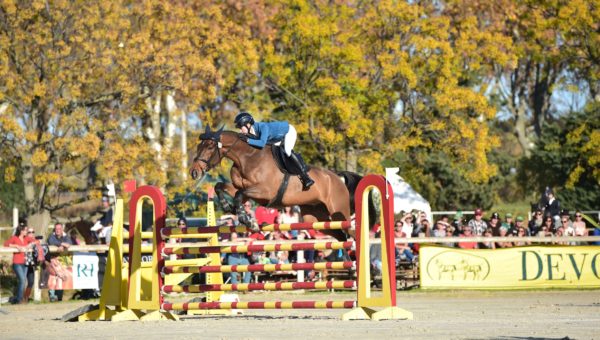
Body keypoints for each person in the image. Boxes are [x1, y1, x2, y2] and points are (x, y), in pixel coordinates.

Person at [234, 111, 314, 190]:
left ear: (248, 125)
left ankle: (305, 176)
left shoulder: (263, 127)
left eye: (241, 127)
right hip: (277, 138)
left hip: (288, 132)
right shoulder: (252, 131)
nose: (240, 130)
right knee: (273, 153)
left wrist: (248, 140)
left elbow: (261, 143)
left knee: (287, 151)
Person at [3, 225, 30, 304]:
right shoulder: (15, 238)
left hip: (25, 262)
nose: (26, 232)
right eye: (25, 230)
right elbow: (6, 243)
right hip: (17, 263)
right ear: (21, 231)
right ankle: (19, 299)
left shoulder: (26, 238)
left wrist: (30, 245)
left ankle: (17, 299)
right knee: (22, 280)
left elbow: (36, 241)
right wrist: (16, 246)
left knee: (23, 281)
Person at [46, 223, 72, 302]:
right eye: (56, 229)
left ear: (62, 229)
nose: (58, 230)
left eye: (59, 229)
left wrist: (63, 246)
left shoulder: (66, 236)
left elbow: (69, 243)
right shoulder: (51, 236)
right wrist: (62, 244)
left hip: (62, 260)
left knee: (61, 278)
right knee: (53, 277)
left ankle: (59, 297)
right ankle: (52, 296)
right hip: (51, 260)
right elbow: (51, 241)